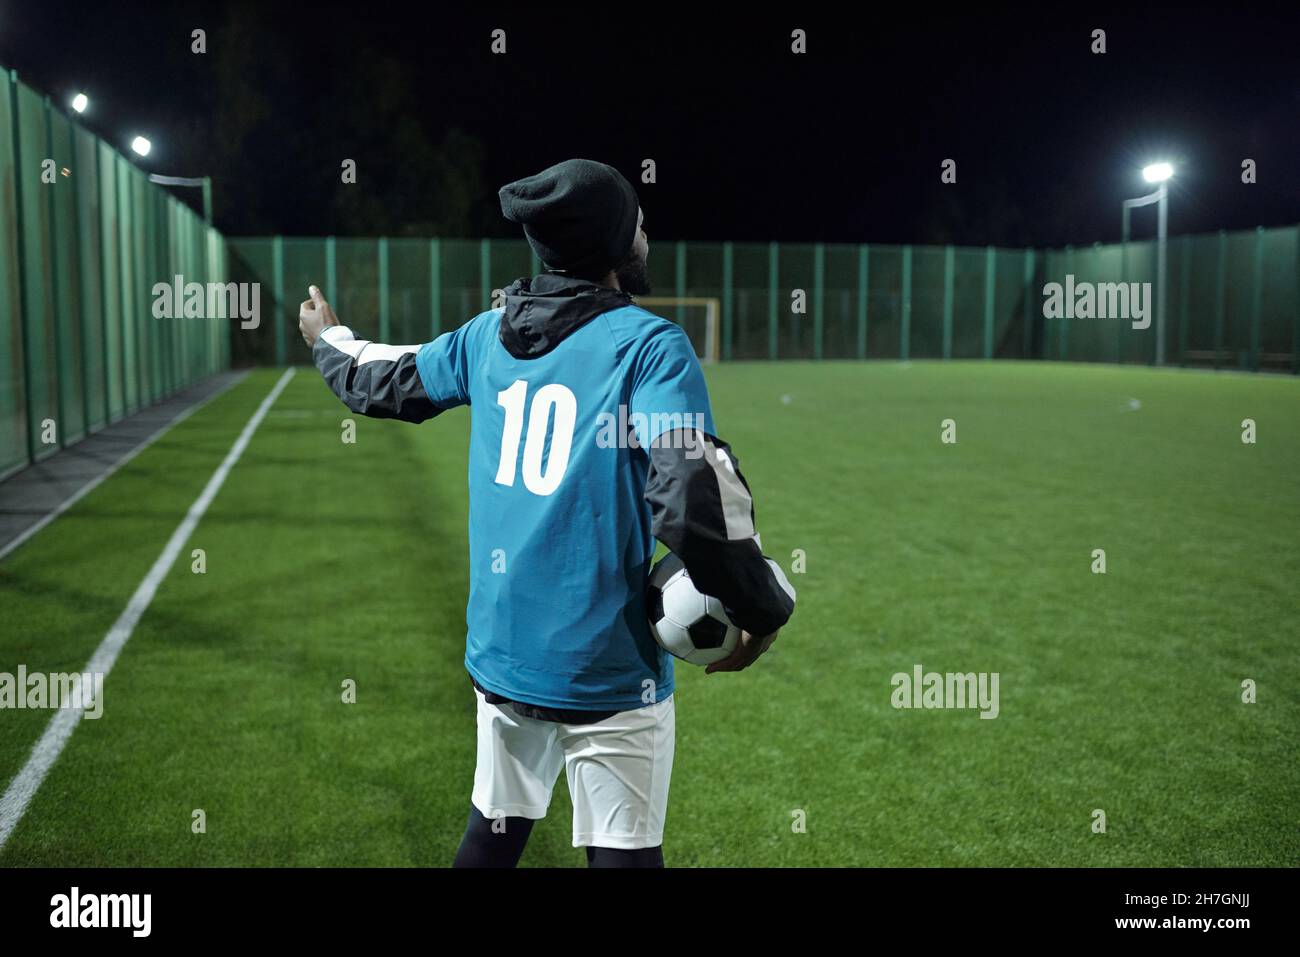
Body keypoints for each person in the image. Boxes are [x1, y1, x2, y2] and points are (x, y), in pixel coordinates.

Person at [297, 158, 794, 867]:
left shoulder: (485, 337)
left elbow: (382, 379)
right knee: (623, 854)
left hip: (503, 654)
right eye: (639, 223)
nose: (648, 233)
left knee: (491, 837)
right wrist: (761, 606)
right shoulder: (650, 348)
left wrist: (327, 340)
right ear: (617, 242)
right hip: (606, 661)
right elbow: (690, 490)